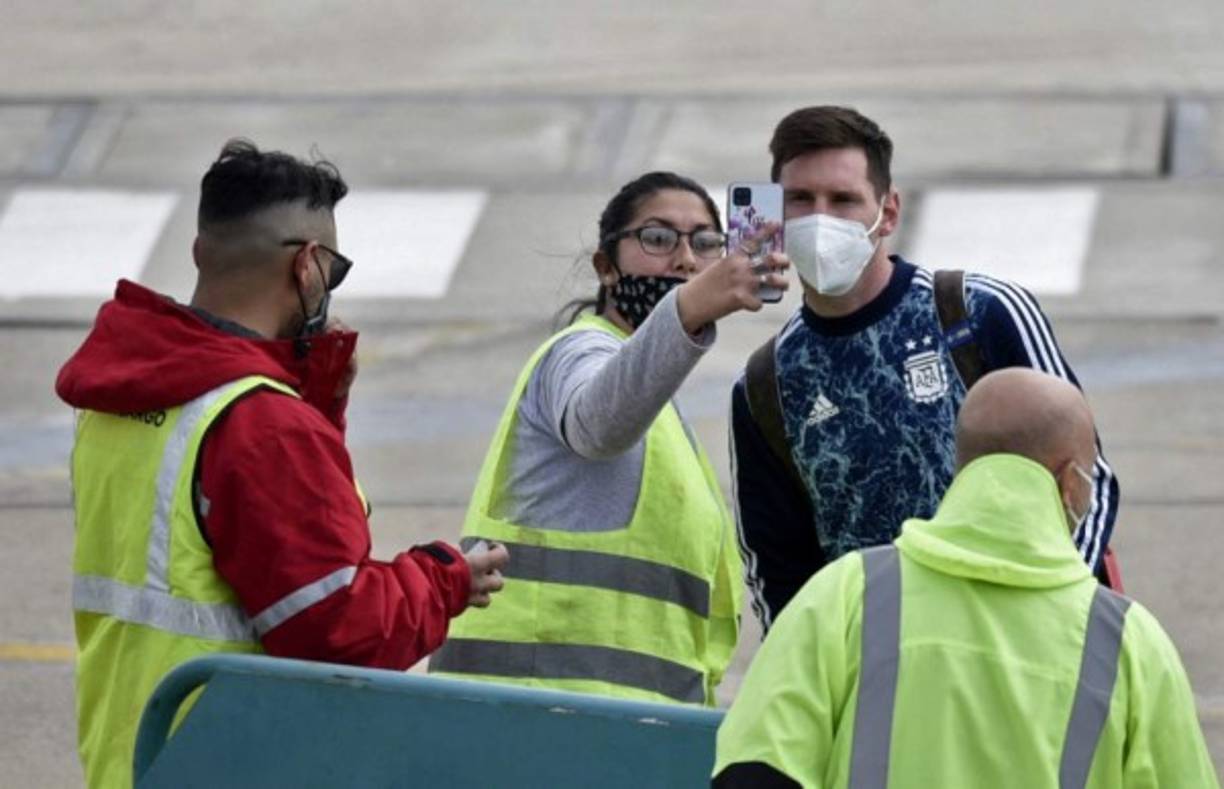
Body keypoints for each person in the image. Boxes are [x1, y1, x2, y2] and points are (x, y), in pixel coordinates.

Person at [56, 140, 509, 788]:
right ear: (307, 266)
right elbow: (338, 629)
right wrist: (445, 578)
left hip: (134, 755)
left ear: (200, 252)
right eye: (335, 269)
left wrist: (312, 402)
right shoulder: (263, 427)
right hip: (232, 759)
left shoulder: (121, 400)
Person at [714, 368, 1217, 788]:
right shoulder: (1127, 644)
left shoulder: (846, 595)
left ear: (965, 467)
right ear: (1069, 481)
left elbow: (755, 770)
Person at [732, 106, 1119, 629]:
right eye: (800, 199)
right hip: (880, 659)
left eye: (843, 200)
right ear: (773, 217)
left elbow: (1088, 483)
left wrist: (1047, 616)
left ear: (888, 212)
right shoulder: (766, 384)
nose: (821, 219)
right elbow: (778, 569)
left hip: (1018, 634)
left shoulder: (979, 313)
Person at [430, 171, 789, 705]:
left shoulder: (660, 409)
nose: (685, 260)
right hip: (532, 709)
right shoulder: (577, 352)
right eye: (658, 238)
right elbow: (596, 424)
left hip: (619, 720)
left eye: (705, 243)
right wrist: (690, 310)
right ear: (605, 266)